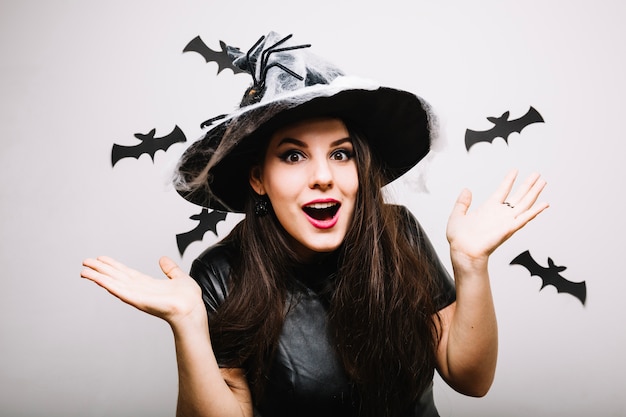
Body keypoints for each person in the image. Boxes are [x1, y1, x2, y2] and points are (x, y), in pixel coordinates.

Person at [81, 32, 549, 417]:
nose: (323, 174)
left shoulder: (398, 232)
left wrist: (471, 266)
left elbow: (470, 378)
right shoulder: (221, 275)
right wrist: (187, 325)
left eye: (341, 154)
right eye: (293, 155)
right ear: (259, 179)